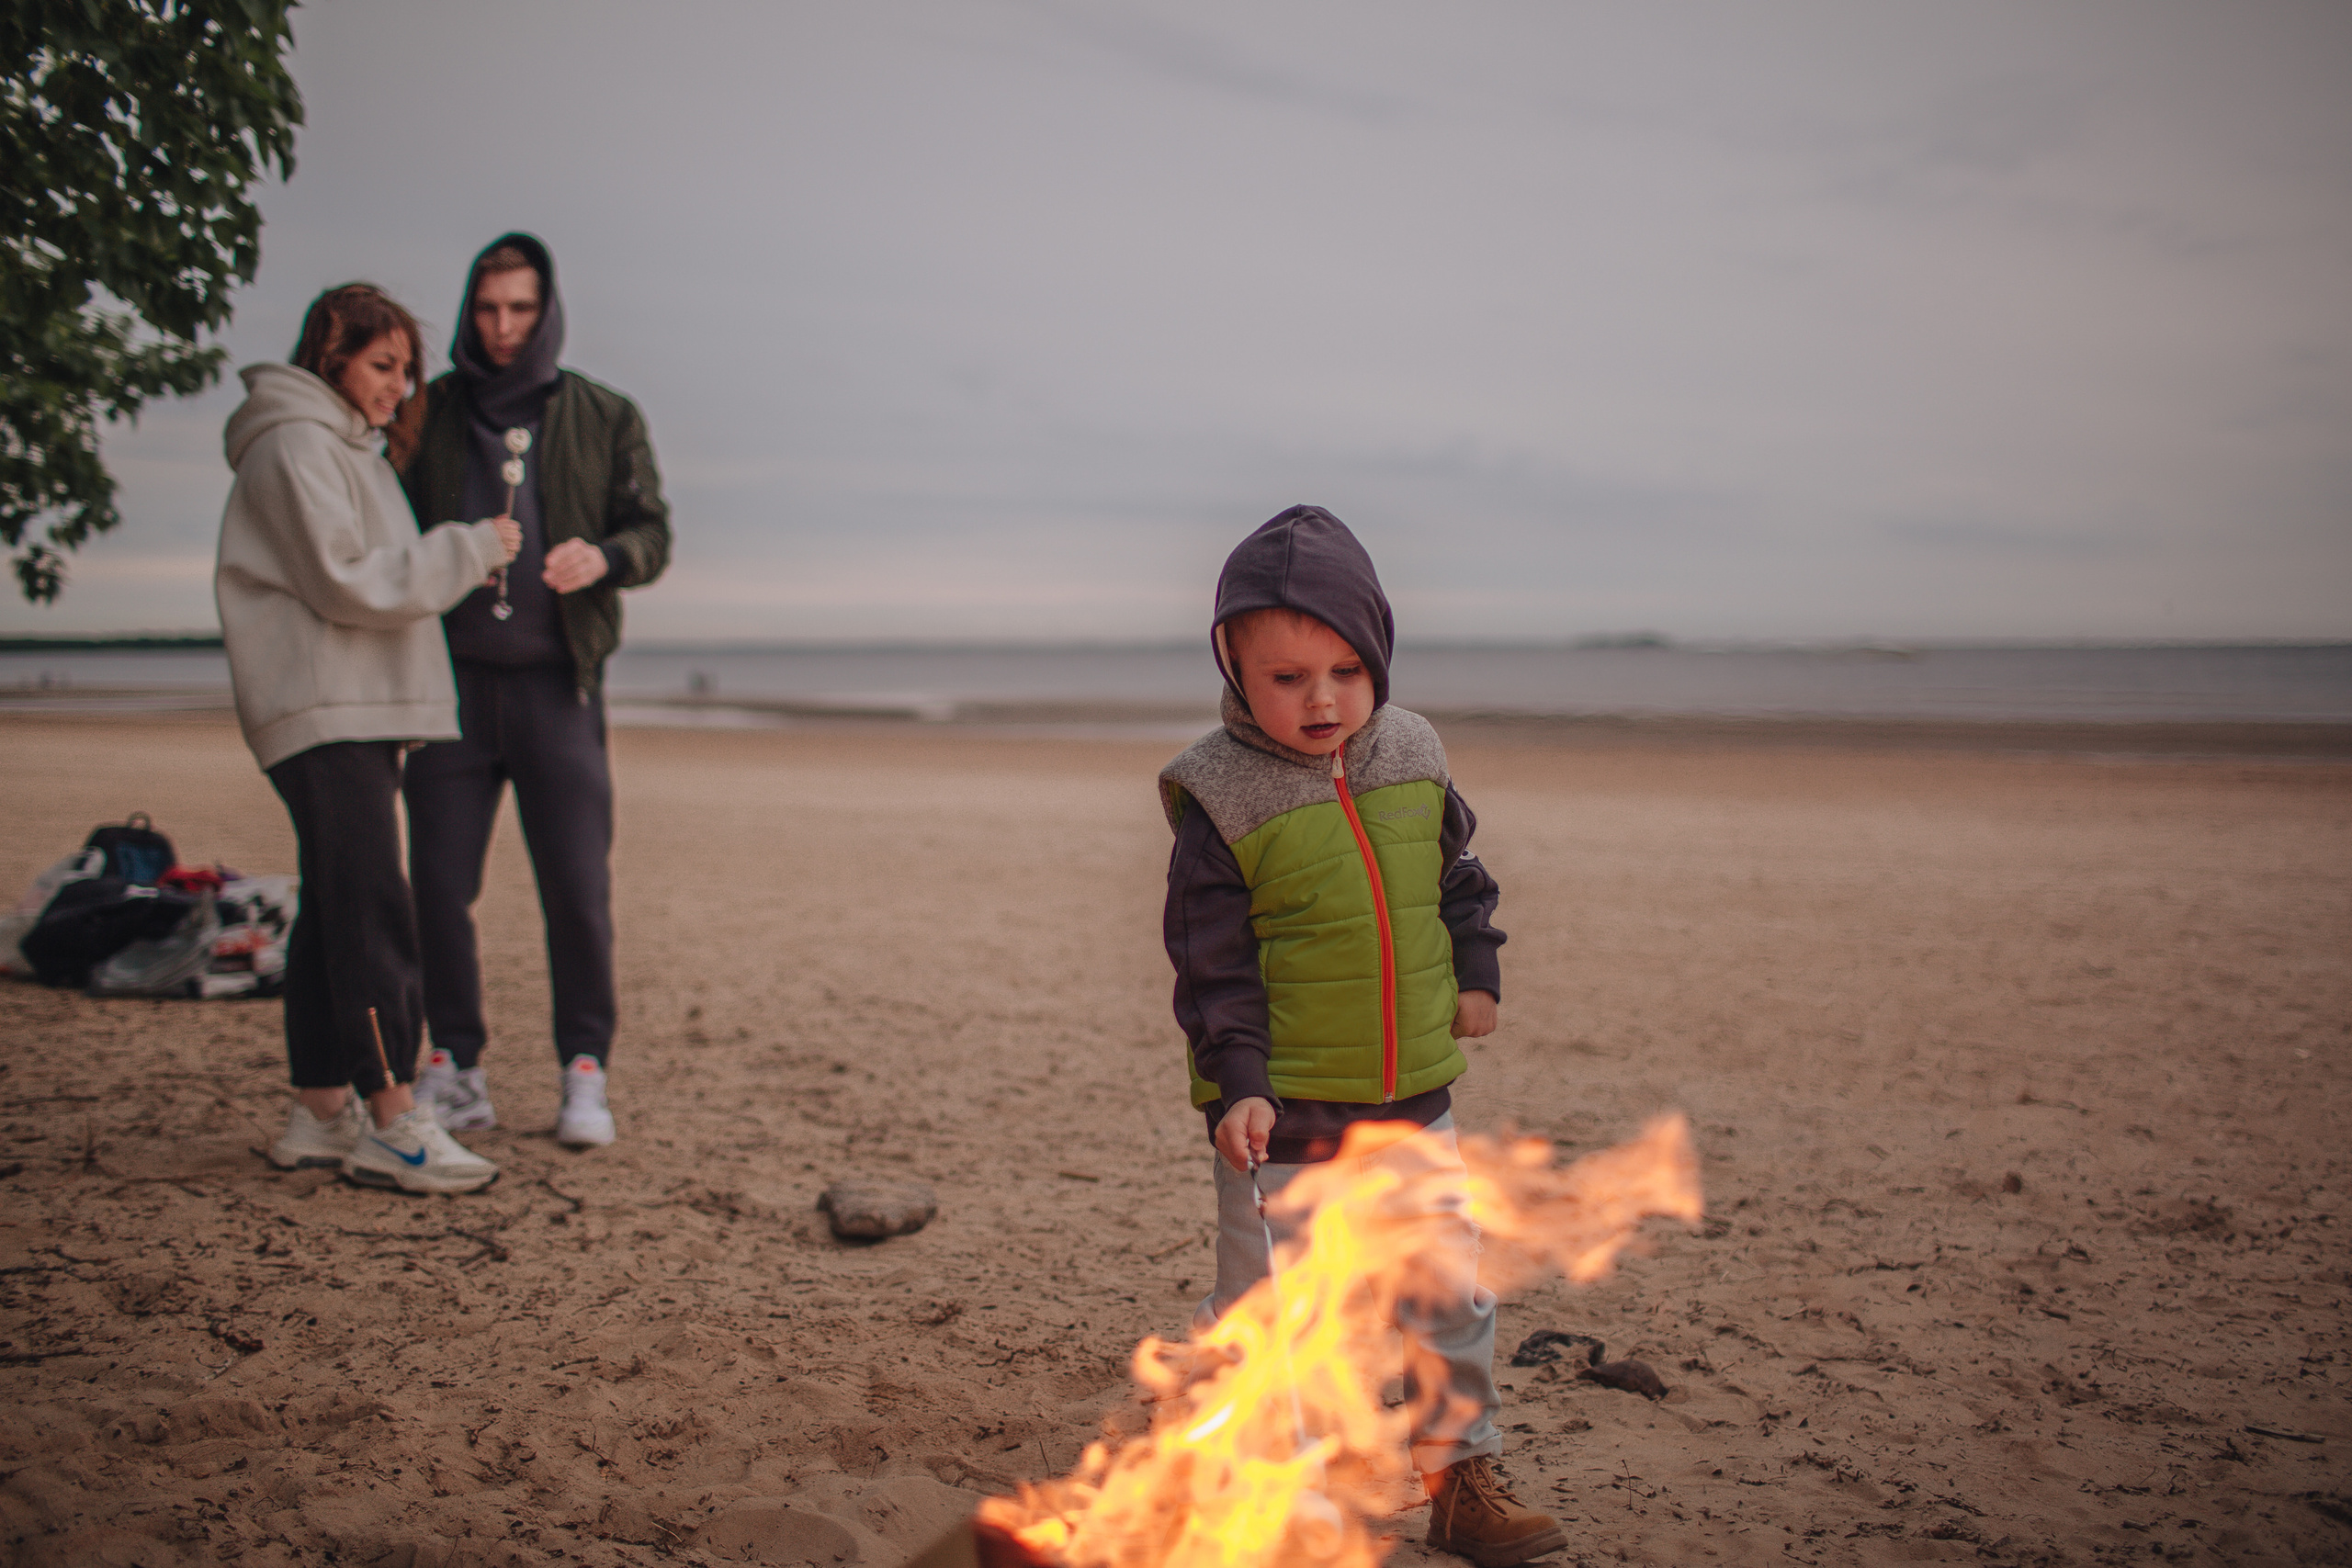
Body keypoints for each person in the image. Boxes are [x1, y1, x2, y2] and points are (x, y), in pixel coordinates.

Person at [1158, 506, 1565, 1566]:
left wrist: (1475, 970)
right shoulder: (1221, 792)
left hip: (1412, 1100)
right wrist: (1236, 1082)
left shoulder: (1413, 752)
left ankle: (1457, 1476)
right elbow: (1210, 964)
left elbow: (1458, 880)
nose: (1322, 698)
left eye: (1345, 669)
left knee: (1445, 1292)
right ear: (1232, 667)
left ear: (1378, 654)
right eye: (1286, 677)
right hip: (1280, 1115)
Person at [217, 283, 522, 1195]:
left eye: (407, 371)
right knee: (372, 909)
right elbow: (346, 579)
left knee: (332, 906)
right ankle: (393, 1118)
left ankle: (318, 1112)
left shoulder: (344, 445)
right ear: (330, 356)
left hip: (350, 707)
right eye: (381, 366)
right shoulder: (297, 441)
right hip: (326, 708)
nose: (398, 387)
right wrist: (469, 550)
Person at [399, 233, 671, 1147]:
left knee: (578, 894)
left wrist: (604, 556)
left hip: (561, 688)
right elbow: (385, 526)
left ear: (546, 310)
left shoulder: (603, 412)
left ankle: (583, 1072)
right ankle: (457, 1067)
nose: (504, 327)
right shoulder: (429, 412)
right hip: (450, 689)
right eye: (487, 309)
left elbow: (653, 534)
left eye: (520, 308)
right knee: (435, 889)